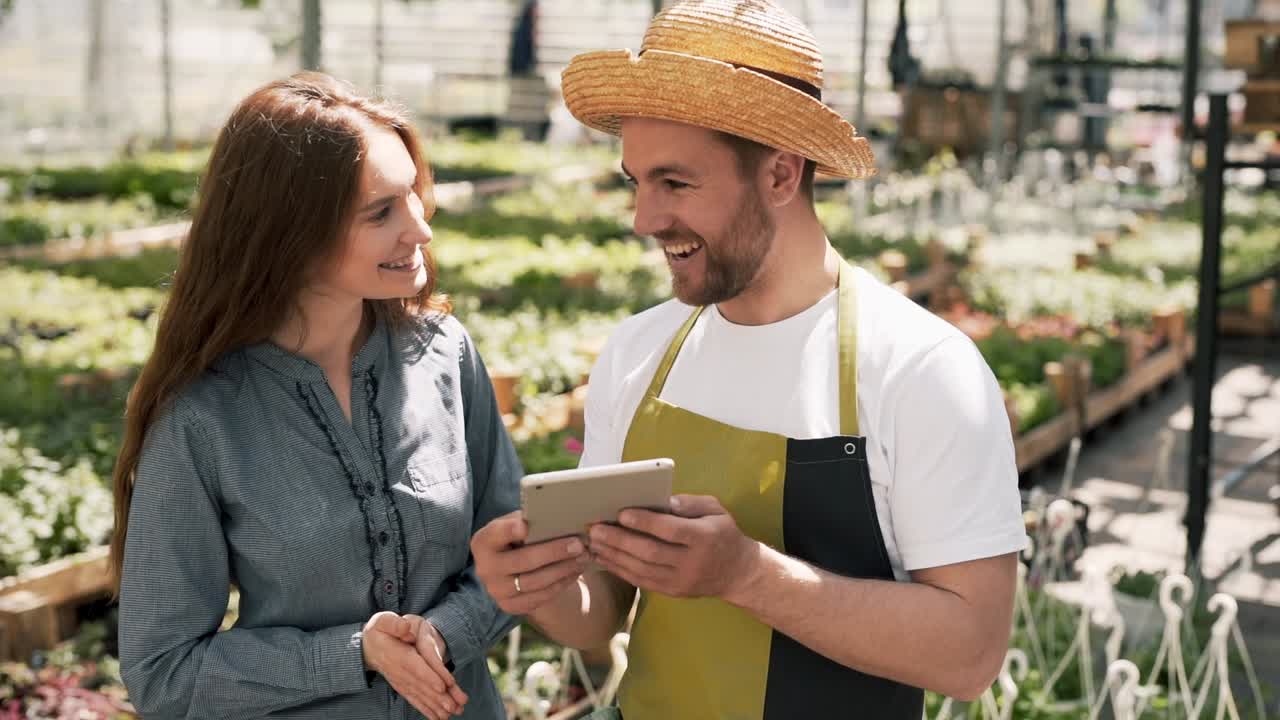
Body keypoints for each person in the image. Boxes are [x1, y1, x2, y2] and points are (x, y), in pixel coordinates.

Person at [468, 1, 1029, 717]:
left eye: (675, 183)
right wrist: (536, 585)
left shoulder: (920, 370)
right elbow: (602, 611)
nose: (644, 219)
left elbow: (972, 654)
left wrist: (746, 574)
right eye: (634, 181)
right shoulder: (640, 352)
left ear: (781, 175)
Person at [112, 72, 519, 720]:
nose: (420, 229)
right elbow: (164, 673)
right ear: (290, 233)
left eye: (414, 195)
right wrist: (357, 653)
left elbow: (512, 555)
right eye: (381, 211)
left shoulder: (445, 354)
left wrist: (440, 636)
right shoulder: (203, 420)